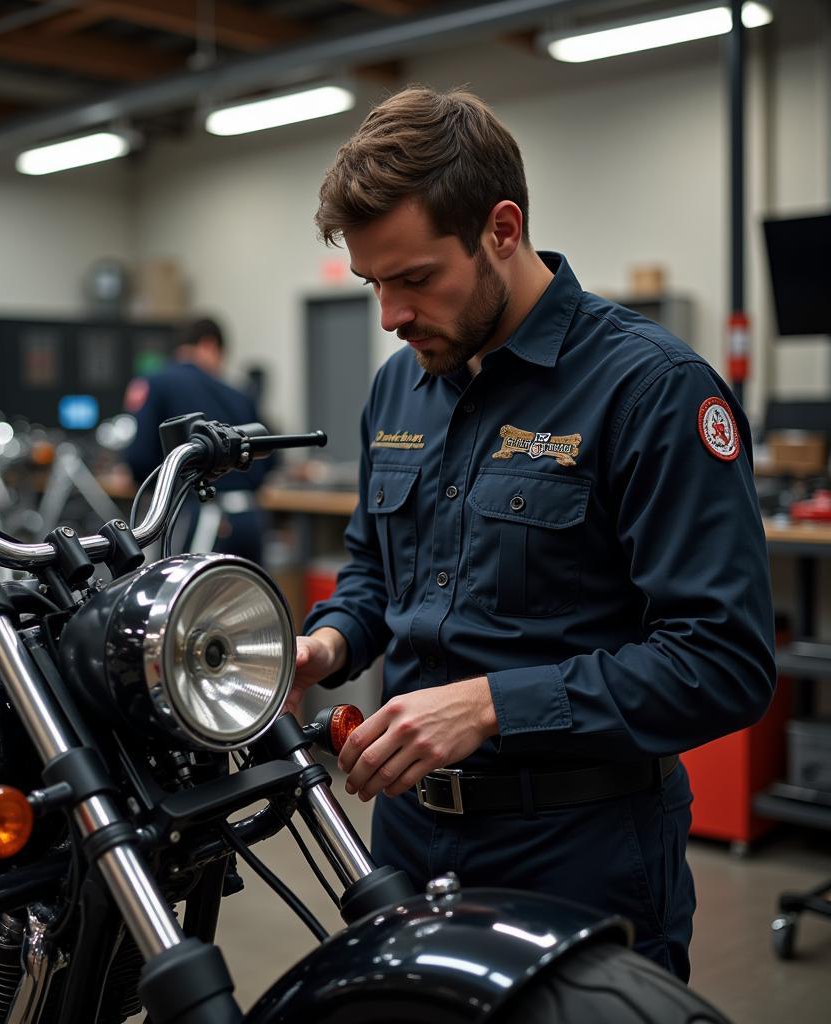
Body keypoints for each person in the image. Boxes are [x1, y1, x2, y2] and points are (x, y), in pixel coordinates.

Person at [290, 86, 775, 981]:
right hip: (404, 838)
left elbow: (724, 662)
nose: (391, 315)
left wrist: (490, 705)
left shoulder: (651, 389)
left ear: (502, 229)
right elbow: (375, 571)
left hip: (578, 851)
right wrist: (325, 641)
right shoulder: (400, 389)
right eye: (374, 284)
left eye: (415, 277)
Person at [126, 317, 270, 563]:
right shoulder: (239, 393)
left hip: (204, 518)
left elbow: (139, 458)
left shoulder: (157, 382)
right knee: (250, 599)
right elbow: (266, 456)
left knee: (185, 599)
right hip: (251, 520)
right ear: (210, 345)